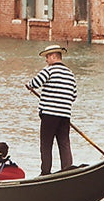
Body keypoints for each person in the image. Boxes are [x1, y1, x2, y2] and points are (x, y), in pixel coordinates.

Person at [26, 45, 77, 174]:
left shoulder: (49, 70)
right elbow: (74, 96)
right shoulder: (70, 74)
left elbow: (34, 83)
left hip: (49, 114)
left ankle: (45, 172)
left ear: (54, 56)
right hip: (65, 115)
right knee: (64, 143)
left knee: (46, 144)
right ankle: (67, 170)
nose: (46, 60)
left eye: (47, 57)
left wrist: (30, 85)